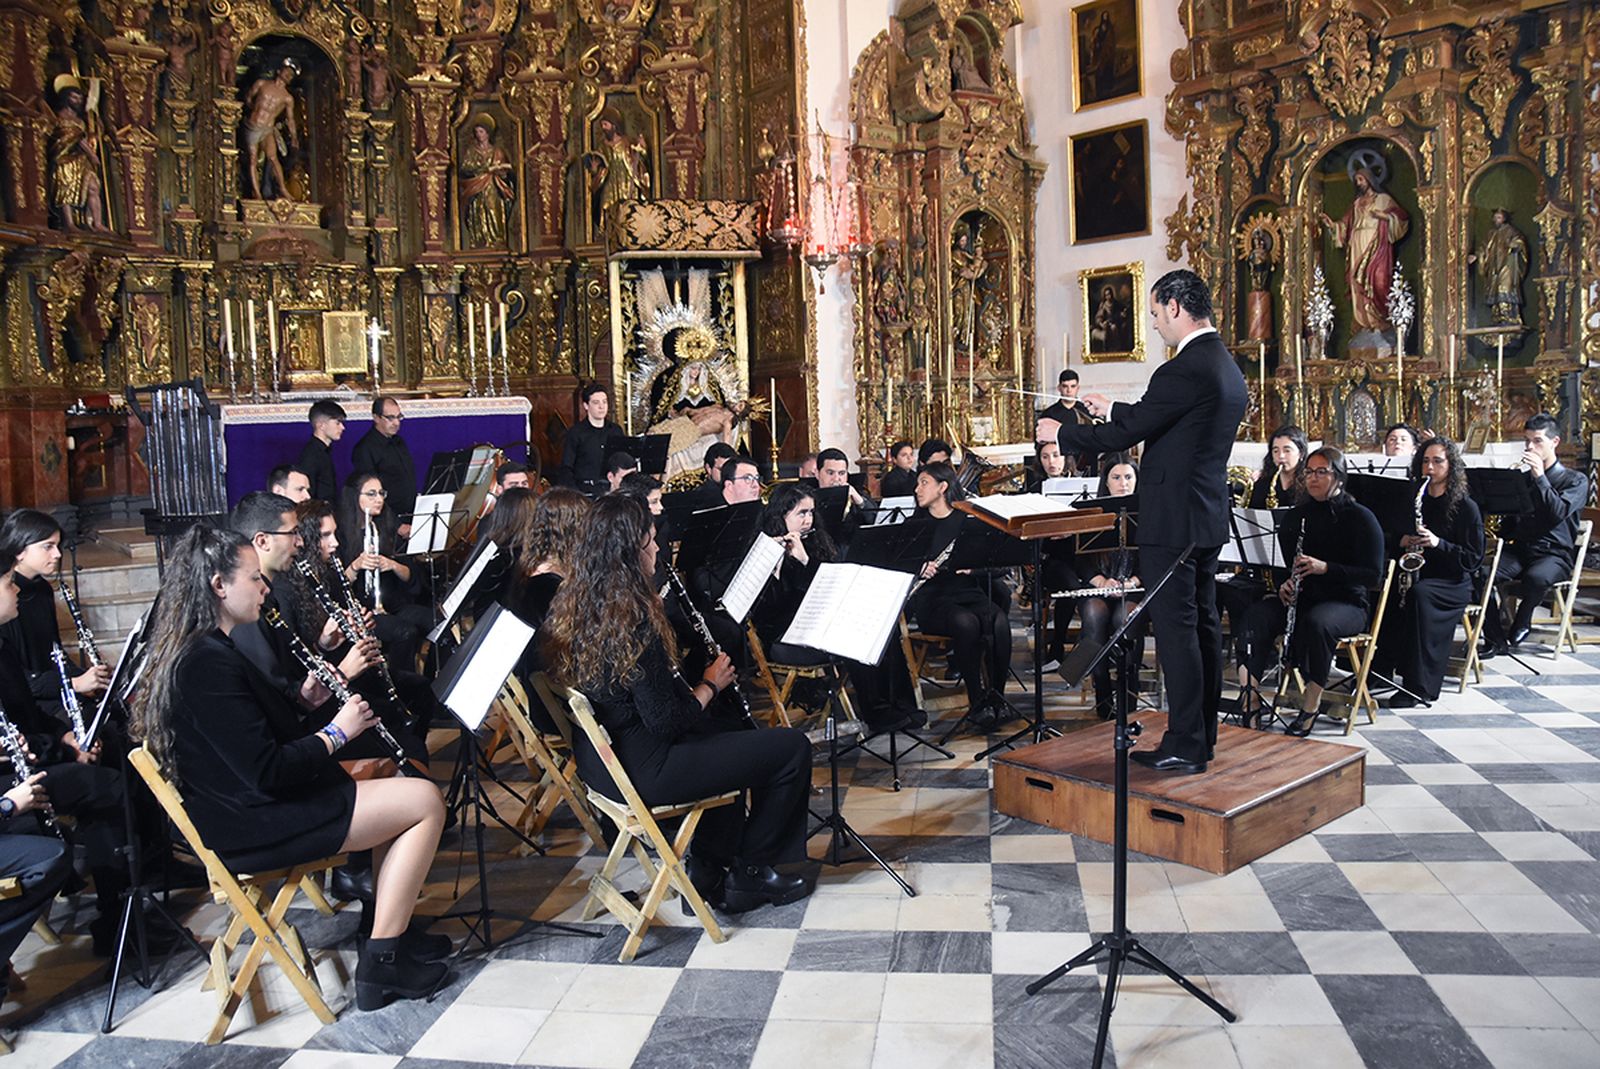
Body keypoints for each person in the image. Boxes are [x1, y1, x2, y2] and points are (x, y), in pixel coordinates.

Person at [131, 524, 448, 1009]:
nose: (264, 588)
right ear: (219, 586)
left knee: (396, 774)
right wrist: (337, 731)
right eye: (255, 579)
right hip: (253, 821)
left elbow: (252, 733)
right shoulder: (204, 663)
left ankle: (386, 933)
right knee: (425, 801)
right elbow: (266, 770)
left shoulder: (210, 648)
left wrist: (304, 700)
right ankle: (382, 967)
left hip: (255, 805)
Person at [541, 495, 812, 913]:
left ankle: (708, 871)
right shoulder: (631, 618)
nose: (656, 550)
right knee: (792, 749)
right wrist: (709, 684)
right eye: (649, 542)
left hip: (605, 765)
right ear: (630, 554)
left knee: (730, 738)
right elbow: (667, 719)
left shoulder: (578, 602)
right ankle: (752, 872)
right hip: (647, 768)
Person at [1037, 268, 1247, 773]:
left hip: (1171, 520)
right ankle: (1201, 737)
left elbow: (1128, 433)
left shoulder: (1182, 368)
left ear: (1175, 306)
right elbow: (1164, 420)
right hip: (1203, 516)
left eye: (1155, 313)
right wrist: (1113, 408)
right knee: (1201, 629)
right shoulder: (1223, 365)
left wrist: (1062, 435)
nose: (1154, 324)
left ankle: (1184, 743)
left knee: (1177, 633)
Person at [0, 541, 148, 955]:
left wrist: (66, 738)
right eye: (9, 584)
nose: (17, 592)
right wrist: (63, 752)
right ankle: (117, 921)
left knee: (111, 758)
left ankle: (128, 897)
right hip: (10, 785)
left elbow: (27, 716)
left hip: (27, 762)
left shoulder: (2, 645)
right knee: (104, 786)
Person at [1235, 448, 1384, 736]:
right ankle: (1250, 701)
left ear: (1338, 476)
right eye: (1310, 472)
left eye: (1321, 472)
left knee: (1318, 623)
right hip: (1302, 599)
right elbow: (1282, 564)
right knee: (1256, 616)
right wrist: (1283, 585)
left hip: (1346, 603)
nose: (1313, 478)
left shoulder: (1361, 518)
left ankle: (1311, 705)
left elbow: (1372, 575)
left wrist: (1326, 568)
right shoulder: (1296, 516)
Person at [751, 484, 921, 732]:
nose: (808, 520)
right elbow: (773, 608)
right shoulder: (766, 549)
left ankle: (902, 702)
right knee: (851, 636)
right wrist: (789, 563)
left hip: (821, 623)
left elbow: (831, 586)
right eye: (801, 513)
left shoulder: (815, 542)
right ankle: (876, 712)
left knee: (882, 627)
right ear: (781, 516)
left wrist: (807, 560)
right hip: (787, 634)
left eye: (811, 512)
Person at [1370, 438, 1484, 707]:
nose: (1429, 467)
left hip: (1451, 582)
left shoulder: (1465, 507)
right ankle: (1379, 670)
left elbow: (1472, 559)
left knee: (1419, 595)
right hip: (1416, 573)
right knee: (1382, 590)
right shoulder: (1412, 499)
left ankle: (1418, 686)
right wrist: (1403, 541)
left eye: (1437, 461)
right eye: (1425, 461)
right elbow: (1389, 535)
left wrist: (1437, 543)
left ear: (1451, 466)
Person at [908, 461, 1015, 733]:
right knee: (966, 623)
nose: (917, 488)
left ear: (942, 488)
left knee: (999, 621)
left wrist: (974, 566)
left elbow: (998, 562)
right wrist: (919, 567)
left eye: (924, 483)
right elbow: (898, 564)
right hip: (933, 599)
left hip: (967, 591)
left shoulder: (967, 521)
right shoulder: (915, 525)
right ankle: (977, 700)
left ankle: (997, 697)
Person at [1481, 413, 1590, 654]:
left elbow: (1557, 511)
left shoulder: (1575, 480)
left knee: (1536, 578)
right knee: (1481, 574)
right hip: (1520, 549)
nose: (1530, 447)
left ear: (1555, 442)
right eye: (1527, 441)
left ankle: (1524, 617)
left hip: (1554, 555)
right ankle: (1495, 638)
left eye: (1537, 441)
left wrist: (1540, 477)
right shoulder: (1521, 478)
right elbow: (1509, 519)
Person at [0, 510, 111, 706]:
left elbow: (53, 652)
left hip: (52, 689)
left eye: (57, 545)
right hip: (28, 701)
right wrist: (73, 684)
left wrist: (87, 677)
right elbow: (16, 678)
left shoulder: (42, 589)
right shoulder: (4, 600)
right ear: (20, 550)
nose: (58, 554)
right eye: (48, 546)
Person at [1070, 454, 1147, 719]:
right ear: (1106, 481)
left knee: (1125, 618)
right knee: (1094, 614)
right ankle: (1103, 693)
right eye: (1116, 477)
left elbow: (1153, 561)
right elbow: (1079, 559)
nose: (1123, 484)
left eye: (1128, 477)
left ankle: (1129, 694)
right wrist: (1101, 581)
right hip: (1099, 587)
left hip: (1135, 588)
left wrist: (1132, 582)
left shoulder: (1148, 511)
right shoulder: (1093, 512)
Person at [337, 473, 433, 669]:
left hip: (394, 604)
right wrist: (356, 566)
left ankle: (431, 680)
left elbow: (411, 576)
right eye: (371, 494)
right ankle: (402, 686)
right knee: (405, 633)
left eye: (381, 493)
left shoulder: (387, 528)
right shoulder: (340, 535)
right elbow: (336, 586)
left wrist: (392, 565)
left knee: (438, 622)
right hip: (363, 612)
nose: (379, 499)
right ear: (354, 497)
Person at [1320, 166, 1410, 335]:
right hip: (1356, 243)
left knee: (1378, 280)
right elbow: (1345, 224)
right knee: (1357, 281)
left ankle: (1380, 321)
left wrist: (1384, 217)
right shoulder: (1356, 203)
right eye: (1357, 181)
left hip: (1376, 243)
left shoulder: (1383, 199)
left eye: (1361, 179)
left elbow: (1402, 218)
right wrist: (1332, 225)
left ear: (1369, 180)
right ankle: (1364, 323)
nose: (1359, 183)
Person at [350, 397, 418, 539]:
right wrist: (397, 525)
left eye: (399, 417)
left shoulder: (399, 442)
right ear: (376, 418)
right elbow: (370, 495)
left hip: (409, 517)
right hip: (386, 524)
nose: (396, 423)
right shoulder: (365, 449)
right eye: (390, 418)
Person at [558, 383, 621, 496]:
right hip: (585, 491)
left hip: (612, 491)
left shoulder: (616, 431)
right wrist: (576, 494)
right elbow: (566, 468)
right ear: (586, 406)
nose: (601, 406)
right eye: (596, 403)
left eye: (604, 402)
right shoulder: (576, 433)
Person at [296, 400, 347, 503]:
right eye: (337, 423)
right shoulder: (311, 455)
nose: (342, 427)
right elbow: (309, 494)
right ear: (321, 426)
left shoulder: (323, 451)